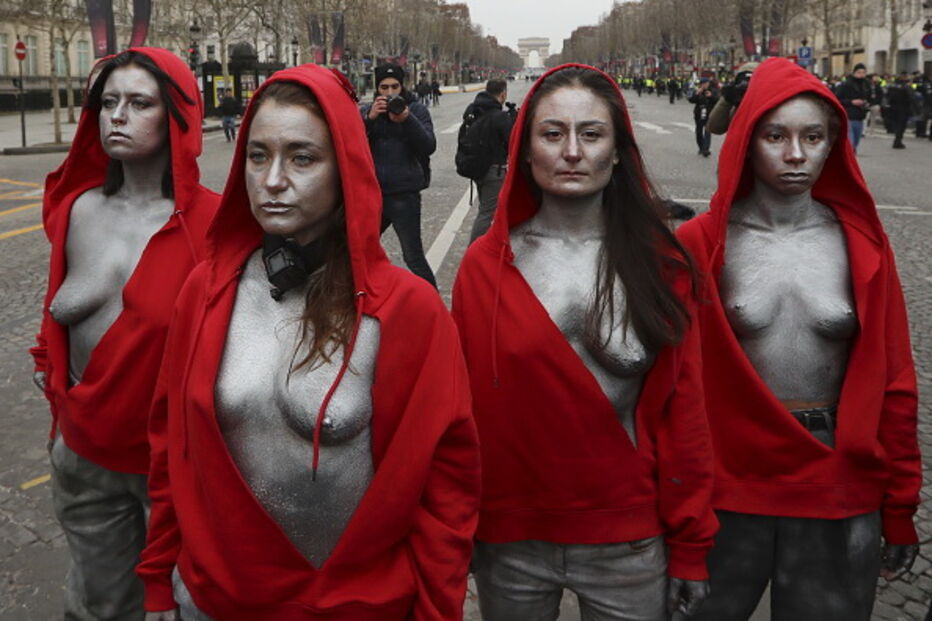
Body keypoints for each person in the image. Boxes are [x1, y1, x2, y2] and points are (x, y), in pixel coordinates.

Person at [137, 64, 480, 620]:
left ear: (345, 168)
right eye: (256, 156)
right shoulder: (206, 289)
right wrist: (158, 579)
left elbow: (448, 490)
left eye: (302, 157)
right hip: (212, 601)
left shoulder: (409, 311)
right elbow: (168, 448)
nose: (272, 180)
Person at [453, 63, 717, 620]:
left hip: (630, 537)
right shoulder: (483, 267)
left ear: (619, 151)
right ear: (526, 150)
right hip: (511, 538)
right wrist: (462, 527)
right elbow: (465, 415)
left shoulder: (664, 265)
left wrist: (691, 545)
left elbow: (685, 412)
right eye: (552, 134)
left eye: (591, 134)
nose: (572, 150)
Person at [676, 58, 920, 621]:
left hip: (837, 476)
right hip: (727, 482)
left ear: (833, 145)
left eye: (813, 138)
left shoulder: (863, 246)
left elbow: (896, 382)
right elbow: (672, 385)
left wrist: (901, 504)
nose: (794, 156)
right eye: (775, 136)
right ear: (745, 139)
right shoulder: (699, 244)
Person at [30, 47, 219, 620]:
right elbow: (56, 317)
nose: (117, 115)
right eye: (108, 102)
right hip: (85, 459)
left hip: (181, 472)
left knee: (191, 606)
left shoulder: (216, 227)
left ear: (177, 117)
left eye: (139, 103)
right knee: (99, 606)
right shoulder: (75, 211)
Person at [361, 63, 437, 287]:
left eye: (395, 86)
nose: (390, 92)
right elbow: (351, 146)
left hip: (404, 195)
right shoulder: (368, 111)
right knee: (358, 250)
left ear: (403, 86)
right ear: (377, 89)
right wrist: (370, 119)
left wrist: (407, 119)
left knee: (413, 257)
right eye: (384, 87)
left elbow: (428, 145)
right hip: (373, 194)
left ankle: (434, 308)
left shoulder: (417, 110)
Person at [457, 78, 517, 242]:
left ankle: (489, 245)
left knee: (486, 209)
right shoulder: (499, 117)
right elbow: (511, 140)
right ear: (503, 94)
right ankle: (474, 252)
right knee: (487, 213)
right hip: (494, 171)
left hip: (478, 168)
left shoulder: (474, 110)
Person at [836, 63, 871, 153]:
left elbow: (869, 97)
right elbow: (837, 99)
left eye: (863, 73)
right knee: (850, 142)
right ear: (854, 73)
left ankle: (851, 155)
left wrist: (866, 102)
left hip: (860, 115)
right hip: (849, 115)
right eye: (859, 72)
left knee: (856, 140)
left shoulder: (866, 84)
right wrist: (851, 102)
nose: (861, 75)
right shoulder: (846, 84)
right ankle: (848, 157)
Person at [688, 77, 719, 157]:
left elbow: (718, 100)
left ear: (708, 84)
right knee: (699, 131)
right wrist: (697, 94)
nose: (704, 85)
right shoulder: (697, 90)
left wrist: (711, 96)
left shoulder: (713, 90)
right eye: (702, 84)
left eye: (706, 83)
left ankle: (706, 149)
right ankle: (701, 147)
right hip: (699, 113)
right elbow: (691, 100)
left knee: (707, 131)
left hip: (709, 113)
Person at [887, 73, 916, 149]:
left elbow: (887, 95)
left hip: (893, 108)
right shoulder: (906, 86)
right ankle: (897, 141)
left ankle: (896, 137)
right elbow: (911, 97)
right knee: (901, 125)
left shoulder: (893, 85)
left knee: (896, 124)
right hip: (903, 108)